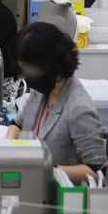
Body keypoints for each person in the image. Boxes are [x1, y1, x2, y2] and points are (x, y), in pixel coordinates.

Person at [7, 23, 107, 185]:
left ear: (48, 65)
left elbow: (97, 171)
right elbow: (17, 123)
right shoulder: (43, 89)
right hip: (31, 183)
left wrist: (48, 169)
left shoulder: (78, 108)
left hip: (59, 192)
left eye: (27, 67)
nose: (24, 72)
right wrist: (8, 147)